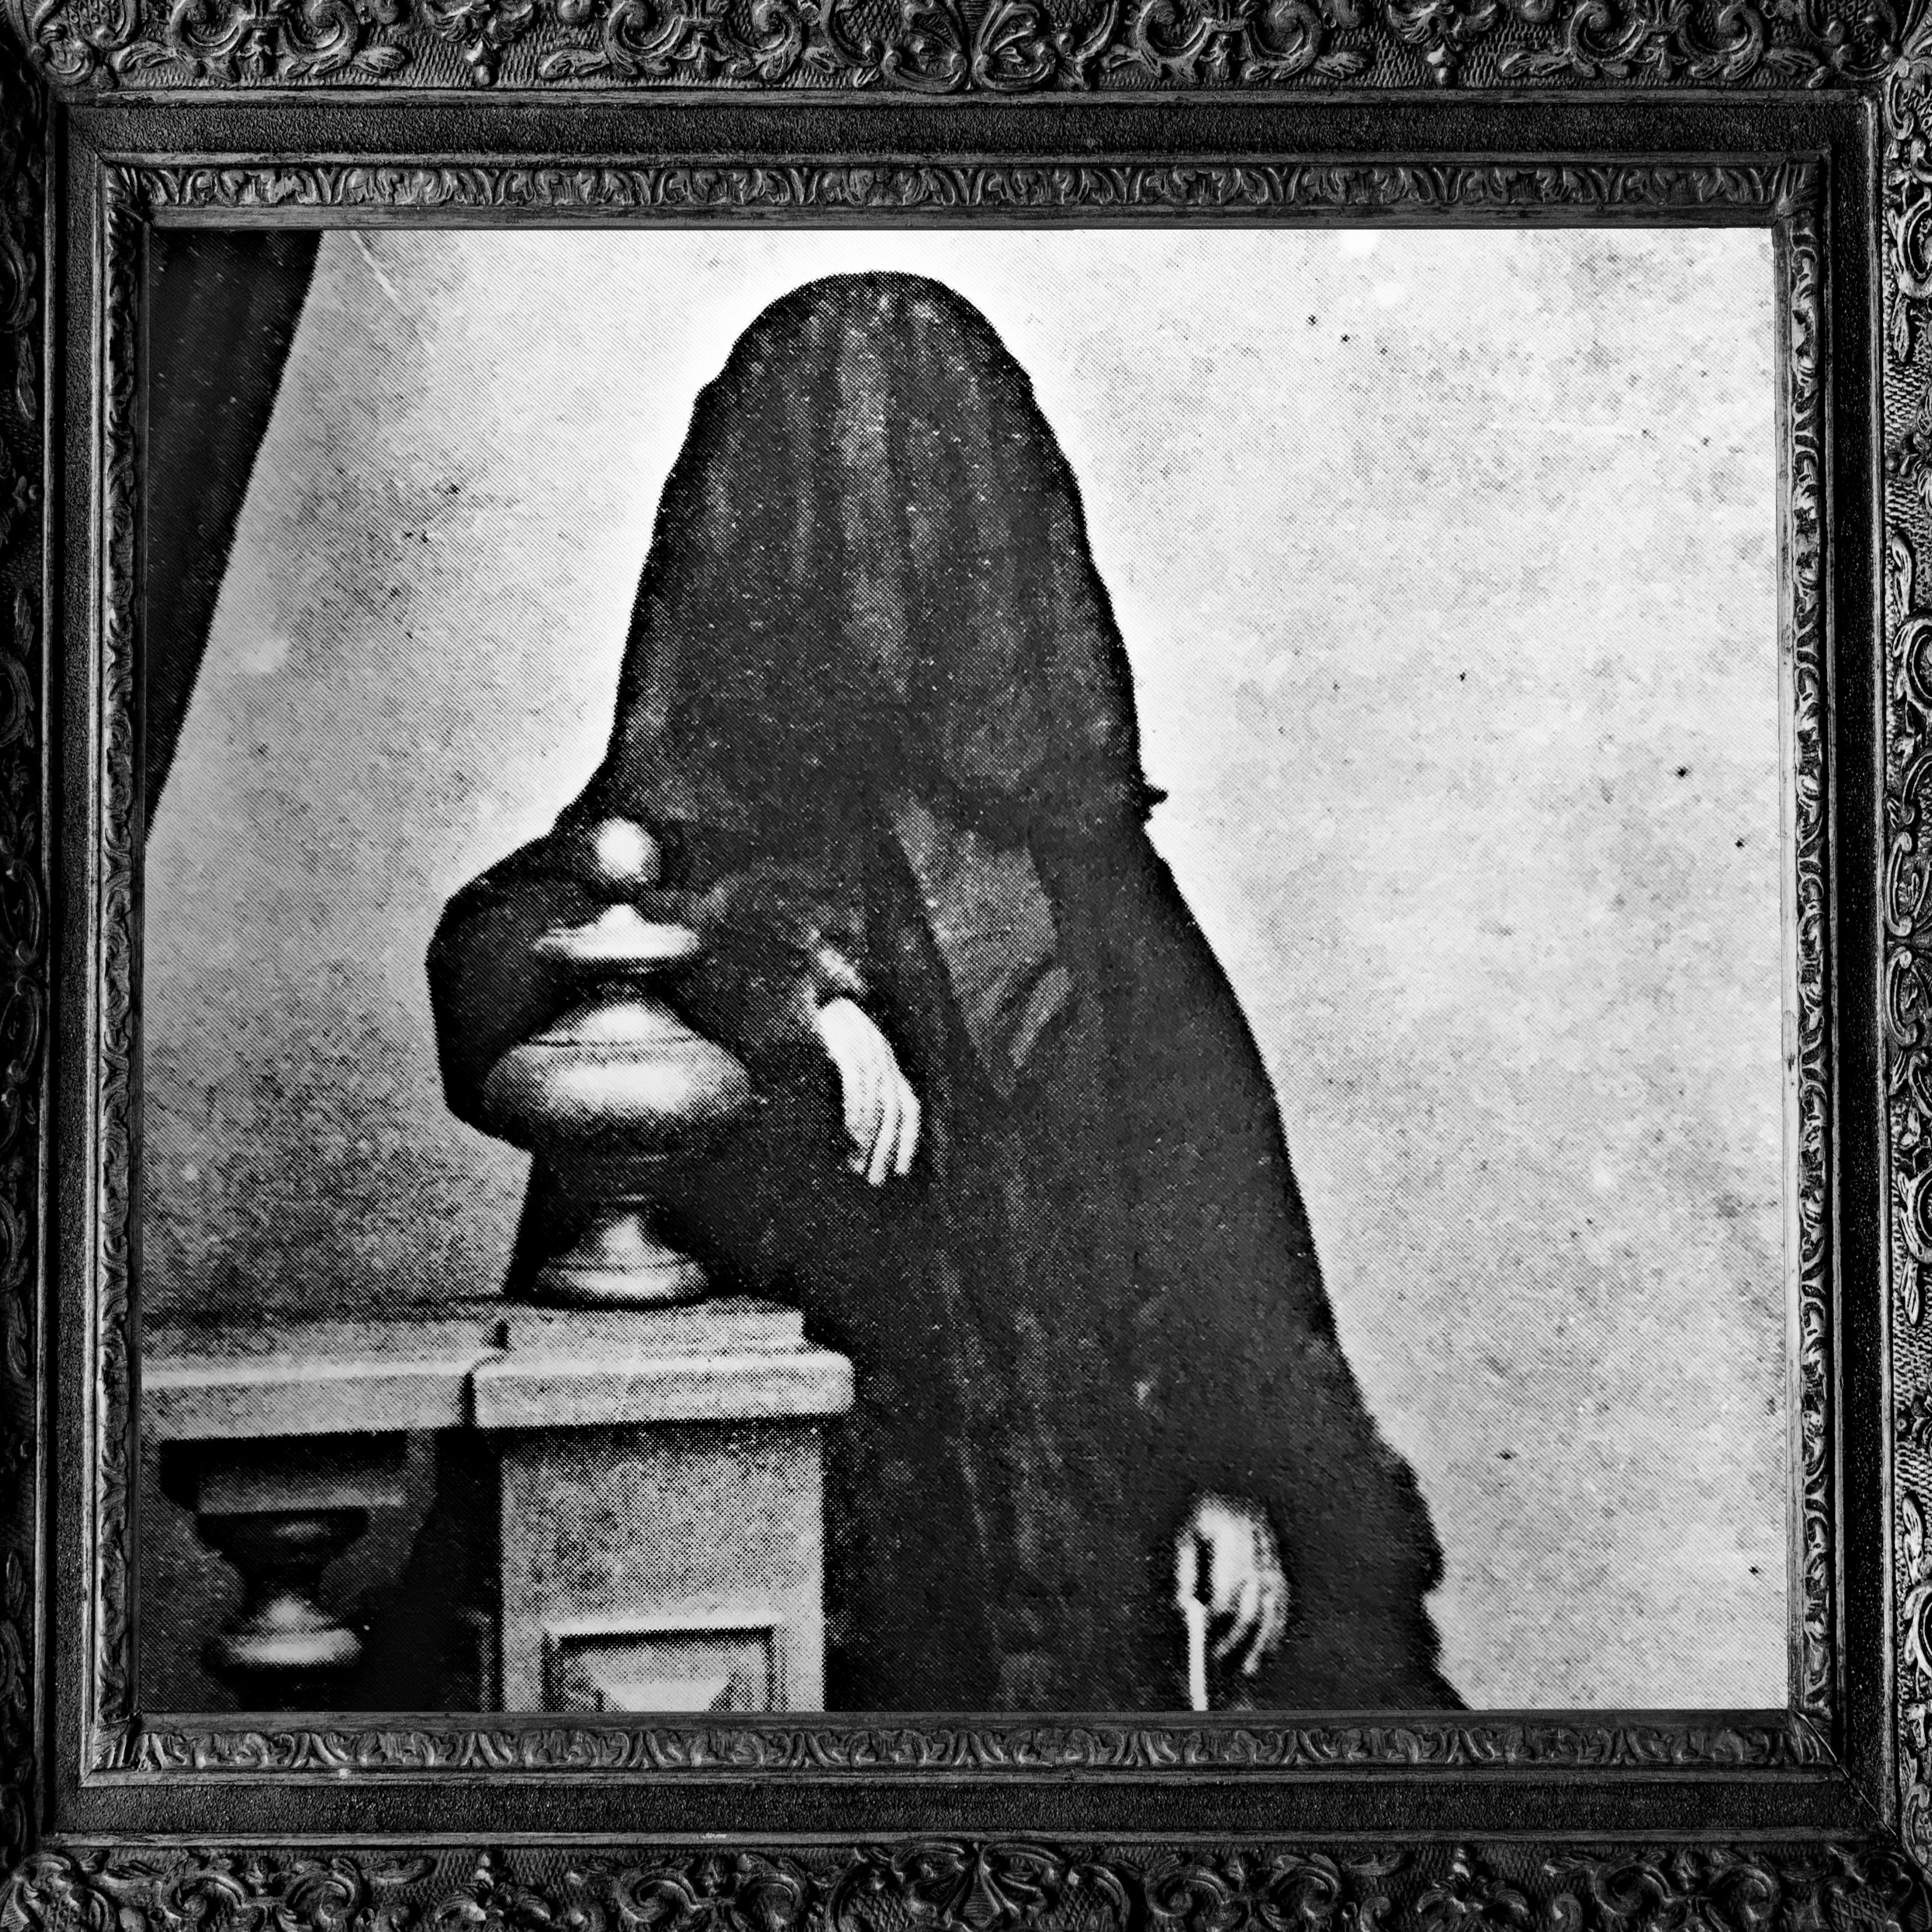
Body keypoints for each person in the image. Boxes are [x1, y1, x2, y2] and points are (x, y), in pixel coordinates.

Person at [427, 272, 1460, 1712]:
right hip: (804, 1556)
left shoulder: (1081, 874)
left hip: (1096, 1533)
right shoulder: (682, 838)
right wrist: (783, 986)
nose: (882, 556)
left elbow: (1218, 1222)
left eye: (924, 488)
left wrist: (1240, 1483)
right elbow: (496, 967)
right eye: (837, 493)